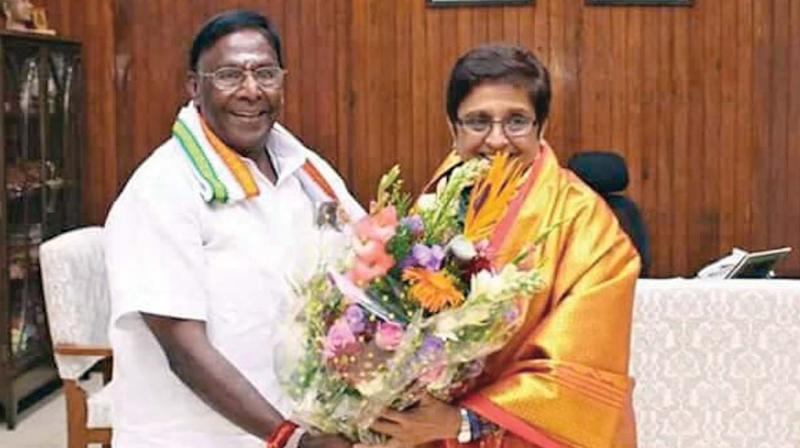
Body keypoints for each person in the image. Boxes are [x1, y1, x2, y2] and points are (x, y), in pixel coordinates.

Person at [104, 10, 361, 448]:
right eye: (228, 75)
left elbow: (366, 254)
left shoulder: (307, 169)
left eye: (265, 73)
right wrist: (291, 438)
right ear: (194, 87)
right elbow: (184, 349)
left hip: (304, 421)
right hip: (201, 437)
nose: (250, 91)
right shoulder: (160, 189)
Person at [362, 45, 640, 447]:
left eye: (516, 121)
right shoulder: (433, 204)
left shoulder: (588, 226)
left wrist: (464, 422)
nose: (496, 140)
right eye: (477, 121)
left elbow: (579, 373)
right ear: (452, 128)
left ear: (541, 127)